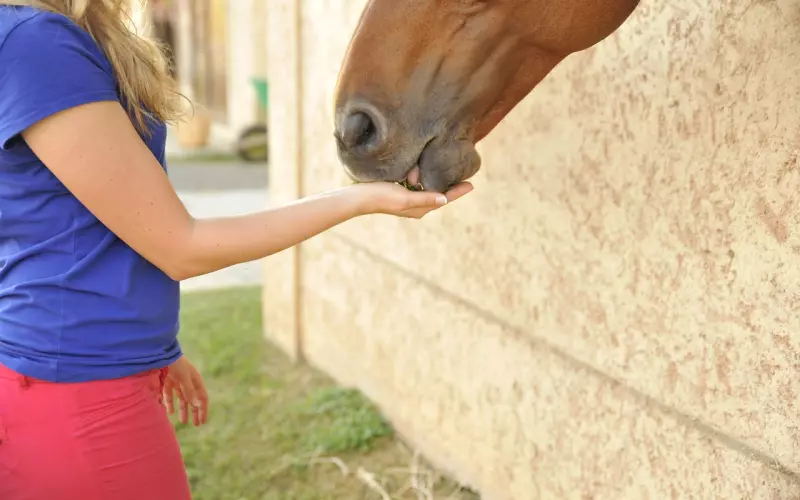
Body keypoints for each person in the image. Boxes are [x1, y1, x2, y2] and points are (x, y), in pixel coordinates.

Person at [0, 2, 473, 500]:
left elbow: (61, 222)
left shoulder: (52, 33)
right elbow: (180, 246)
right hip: (77, 394)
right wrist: (357, 200)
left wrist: (149, 344)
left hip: (78, 374)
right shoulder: (38, 43)